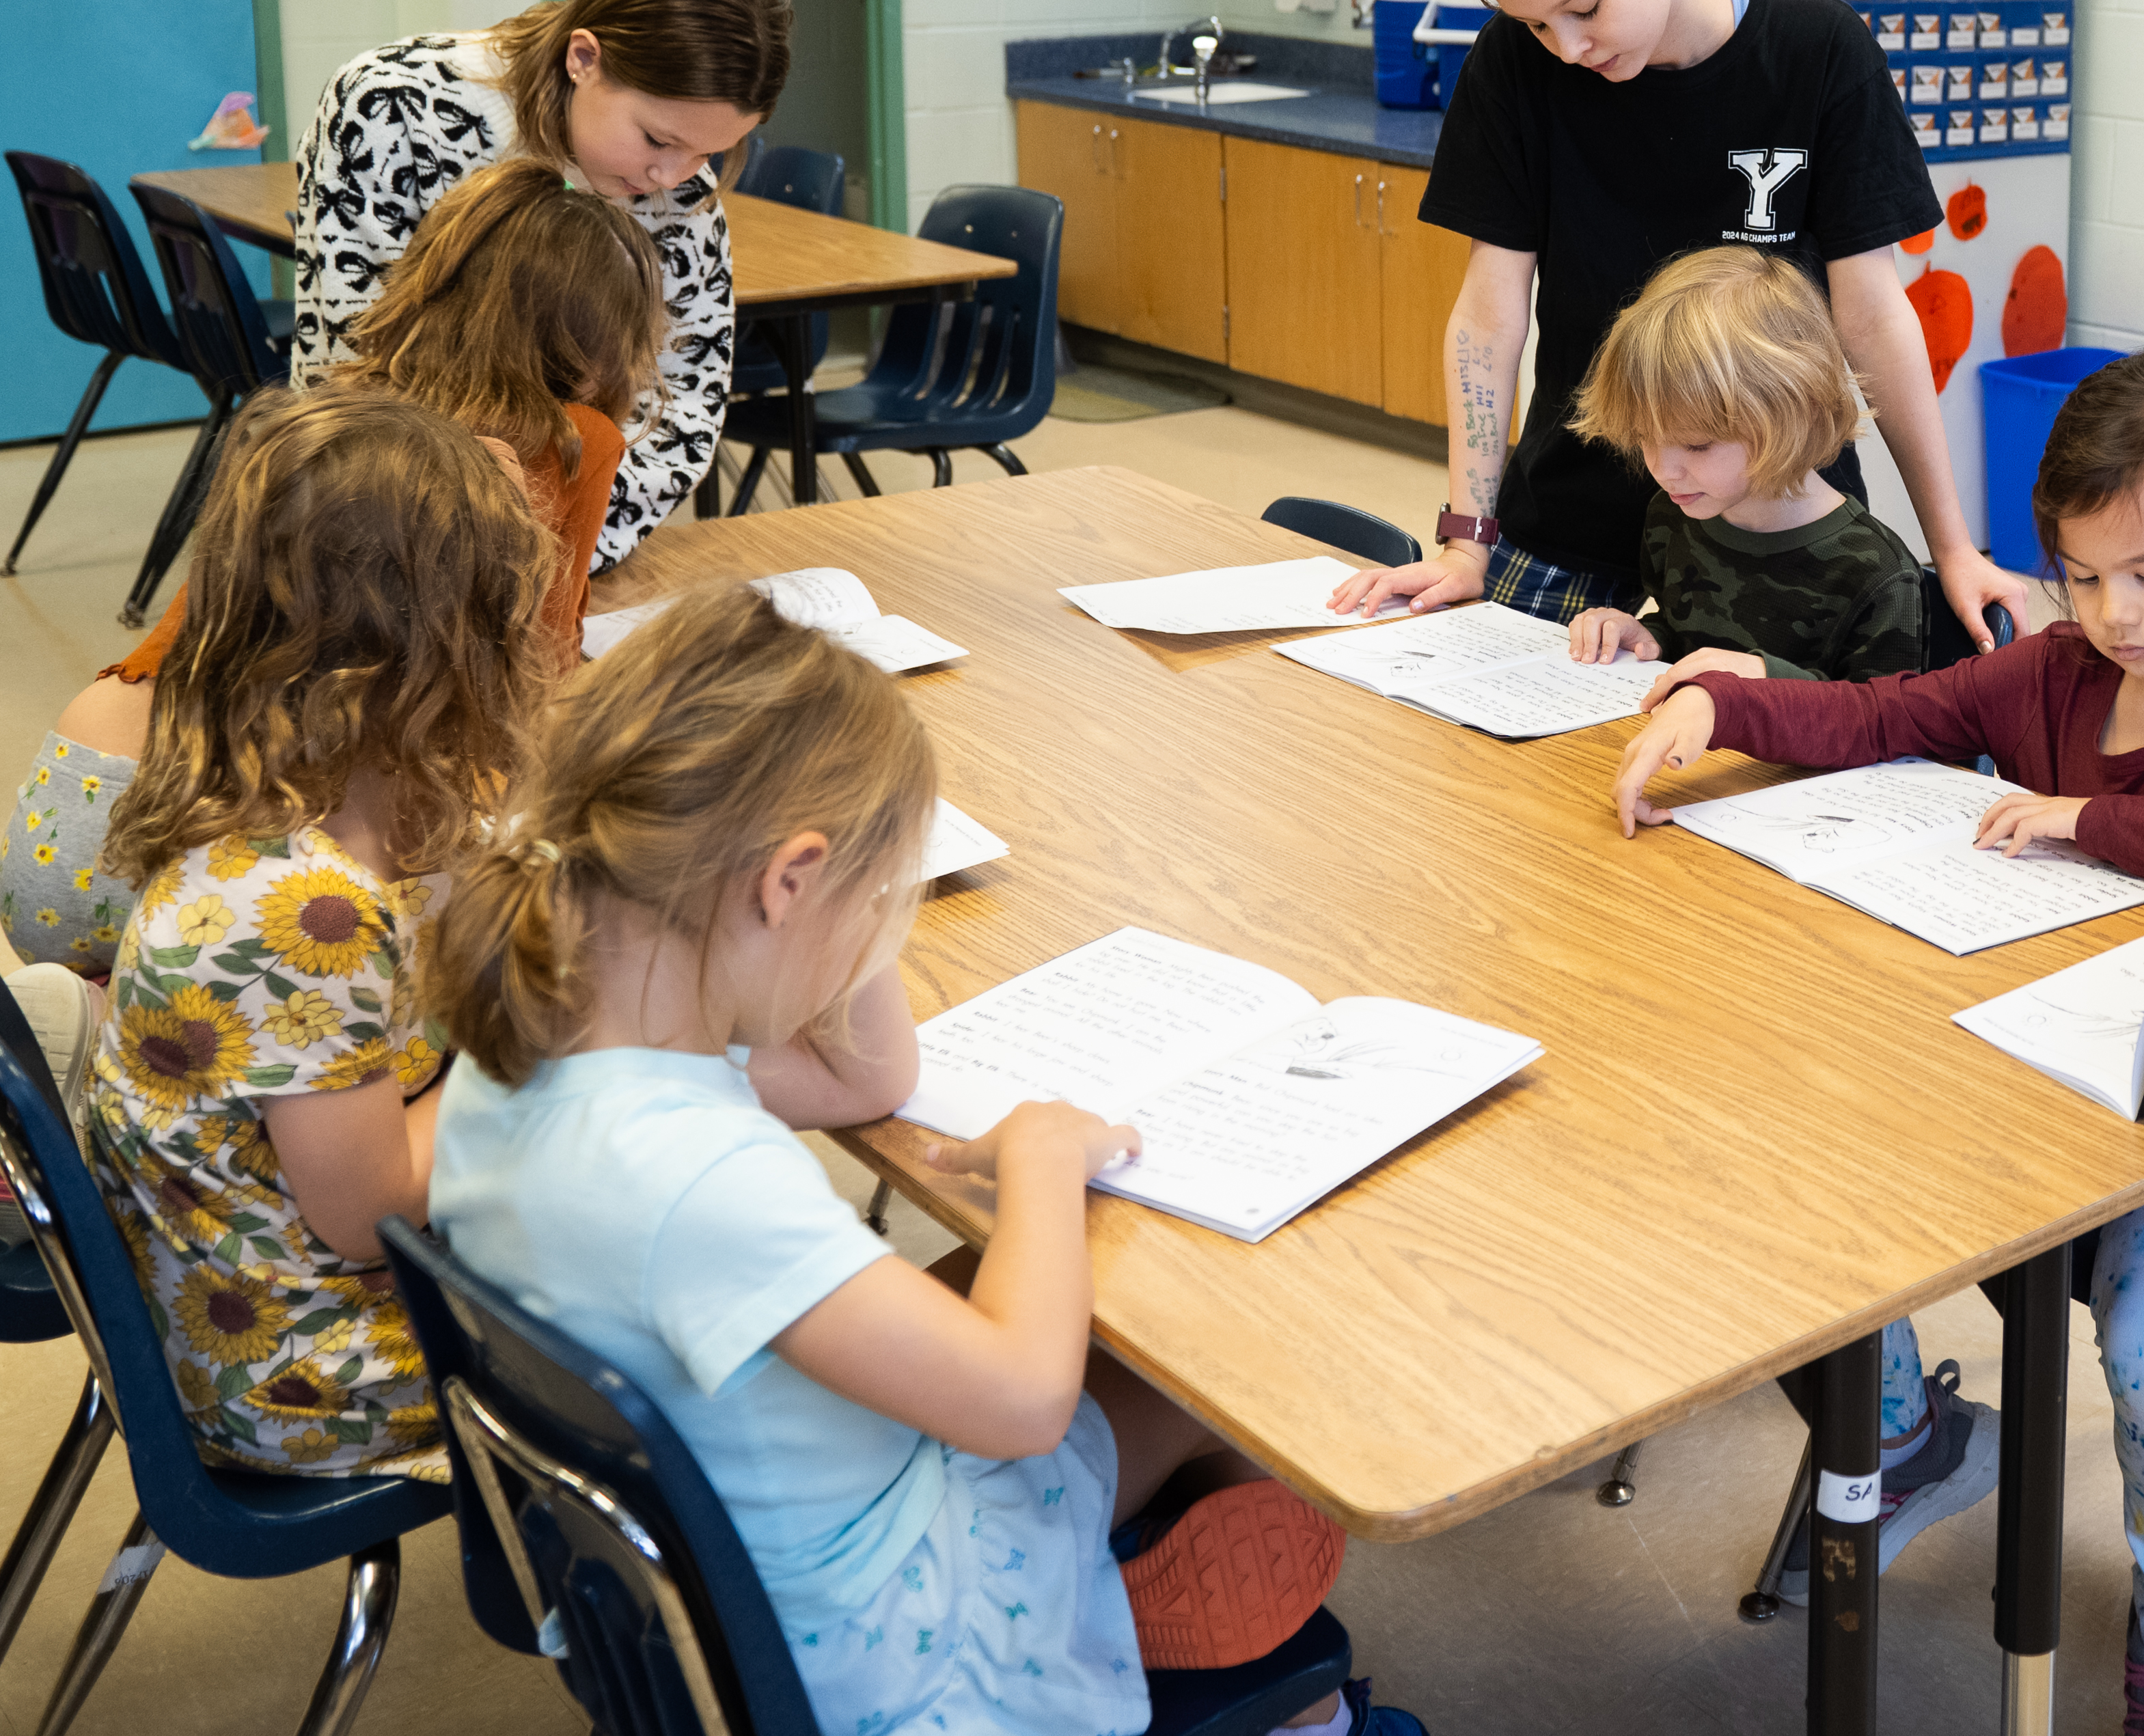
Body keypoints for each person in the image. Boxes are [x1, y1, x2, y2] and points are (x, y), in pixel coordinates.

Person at [424, 590, 1407, 1736]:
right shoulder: (698, 1178)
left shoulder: (529, 1050)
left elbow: (864, 1082)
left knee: (1007, 1283)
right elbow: (1024, 1402)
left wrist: (851, 867)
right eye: (885, 897)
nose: (888, 926)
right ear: (784, 881)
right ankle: (1247, 1677)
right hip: (869, 1649)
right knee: (1203, 1348)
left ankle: (1179, 1604)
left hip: (704, 1568)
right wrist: (1041, 1153)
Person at [1612, 348, 2144, 1736]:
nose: (2110, 613)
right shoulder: (2053, 671)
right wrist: (1725, 699)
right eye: (2078, 574)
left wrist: (2083, 816)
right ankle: (1899, 1427)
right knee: (1802, 1136)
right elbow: (1881, 717)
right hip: (2044, 1069)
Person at [1328, 0, 2023, 648]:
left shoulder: (1819, 52)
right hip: (1570, 523)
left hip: (1776, 532)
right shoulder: (1512, 66)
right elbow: (1488, 312)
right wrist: (1467, 538)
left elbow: (1874, 317)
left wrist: (1950, 546)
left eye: (1585, 7)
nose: (1569, 47)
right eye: (1538, 24)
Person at [1, 157, 663, 978]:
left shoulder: (333, 405)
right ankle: (136, 1003)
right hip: (199, 866)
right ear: (605, 341)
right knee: (506, 944)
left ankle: (108, 1014)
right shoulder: (572, 435)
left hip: (70, 815)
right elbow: (539, 680)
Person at [79, 387, 554, 1476]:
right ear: (433, 652)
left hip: (261, 1306)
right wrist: (545, 1063)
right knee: (699, 1300)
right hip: (326, 1370)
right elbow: (369, 1211)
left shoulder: (261, 786)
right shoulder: (301, 911)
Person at [293, 0, 791, 568]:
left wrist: (569, 548)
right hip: (387, 526)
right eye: (658, 139)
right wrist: (450, 554)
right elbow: (347, 353)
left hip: (561, 545)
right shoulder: (395, 109)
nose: (673, 176)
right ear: (584, 58)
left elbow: (683, 409)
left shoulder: (681, 198)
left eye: (708, 153)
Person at [1557, 244, 1929, 685]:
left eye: (1696, 445)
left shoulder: (1881, 574)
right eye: (1643, 438)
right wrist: (1646, 637)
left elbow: (1890, 728)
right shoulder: (1671, 517)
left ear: (1790, 418)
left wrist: (1763, 681)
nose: (1663, 470)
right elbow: (1689, 642)